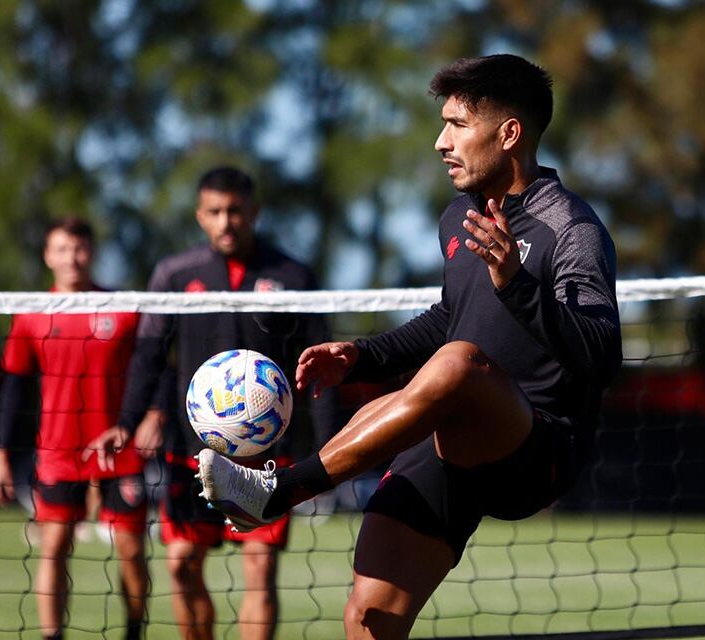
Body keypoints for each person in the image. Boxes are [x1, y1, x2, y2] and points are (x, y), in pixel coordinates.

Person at [197, 54, 623, 639]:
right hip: (450, 439)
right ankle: (274, 495)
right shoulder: (459, 217)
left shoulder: (571, 228)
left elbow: (602, 355)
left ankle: (278, 491)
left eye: (457, 125)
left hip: (535, 449)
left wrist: (518, 286)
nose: (441, 142)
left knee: (459, 362)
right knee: (369, 617)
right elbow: (452, 316)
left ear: (509, 134)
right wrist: (362, 356)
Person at [105, 166, 337, 640]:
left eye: (235, 211)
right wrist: (128, 420)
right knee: (181, 564)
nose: (225, 221)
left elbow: (322, 368)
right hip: (190, 450)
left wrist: (330, 444)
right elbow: (149, 353)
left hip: (268, 454)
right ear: (199, 216)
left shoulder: (293, 276)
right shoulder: (175, 274)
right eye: (214, 212)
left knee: (259, 568)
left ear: (254, 212)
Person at [0, 217, 159, 640]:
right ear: (48, 256)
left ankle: (133, 631)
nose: (72, 258)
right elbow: (14, 386)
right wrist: (0, 452)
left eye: (80, 248)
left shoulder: (123, 307)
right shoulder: (32, 313)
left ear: (92, 253)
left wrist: (154, 414)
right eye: (62, 249)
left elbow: (152, 366)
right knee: (53, 547)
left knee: (131, 549)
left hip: (119, 447)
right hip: (58, 450)